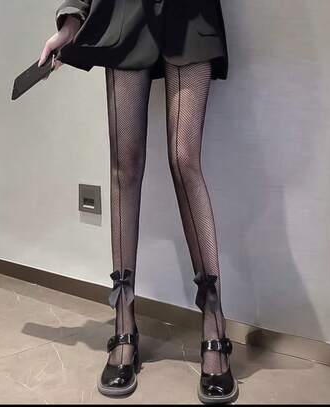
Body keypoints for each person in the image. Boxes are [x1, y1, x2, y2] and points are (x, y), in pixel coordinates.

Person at [39, 0, 238, 404]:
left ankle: (213, 320)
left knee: (184, 160)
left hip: (190, 14)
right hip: (125, 15)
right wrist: (73, 20)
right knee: (124, 167)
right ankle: (124, 320)